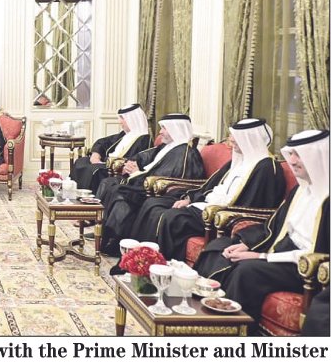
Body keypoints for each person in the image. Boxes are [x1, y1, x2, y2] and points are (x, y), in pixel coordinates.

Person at [193, 130, 329, 330]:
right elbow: (275, 227)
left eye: (299, 155)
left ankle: (232, 332)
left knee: (247, 271)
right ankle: (200, 314)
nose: (291, 161)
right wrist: (246, 244)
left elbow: (315, 253)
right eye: (291, 154)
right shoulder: (301, 190)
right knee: (219, 247)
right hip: (282, 250)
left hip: (304, 268)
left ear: (317, 157)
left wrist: (261, 256)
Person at [131, 118, 286, 260]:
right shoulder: (240, 160)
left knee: (172, 218)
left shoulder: (266, 167)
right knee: (153, 204)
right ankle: (137, 258)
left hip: (223, 216)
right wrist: (190, 199)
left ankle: (162, 265)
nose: (231, 140)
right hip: (208, 206)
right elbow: (212, 184)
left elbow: (252, 203)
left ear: (250, 139)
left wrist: (214, 209)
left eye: (236, 136)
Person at [98, 113, 205, 253]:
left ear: (176, 129)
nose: (160, 132)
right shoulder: (168, 146)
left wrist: (137, 173)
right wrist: (132, 163)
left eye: (164, 128)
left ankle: (116, 240)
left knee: (120, 193)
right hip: (146, 184)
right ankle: (105, 233)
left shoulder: (185, 152)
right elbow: (146, 156)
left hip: (164, 192)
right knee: (112, 185)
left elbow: (163, 178)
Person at [70, 103, 151, 193]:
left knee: (96, 170)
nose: (120, 121)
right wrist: (95, 155)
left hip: (117, 170)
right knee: (81, 161)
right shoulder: (125, 134)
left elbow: (138, 160)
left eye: (122, 118)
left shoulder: (144, 139)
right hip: (107, 164)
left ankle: (88, 197)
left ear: (132, 119)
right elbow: (102, 142)